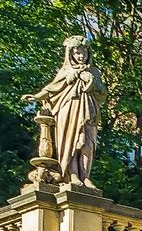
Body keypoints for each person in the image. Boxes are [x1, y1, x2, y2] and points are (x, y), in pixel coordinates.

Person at [25, 34, 105, 187]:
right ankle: (73, 174)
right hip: (68, 111)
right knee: (72, 143)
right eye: (78, 52)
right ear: (71, 54)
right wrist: (35, 97)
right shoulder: (65, 71)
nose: (81, 56)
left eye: (84, 52)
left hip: (89, 111)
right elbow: (51, 89)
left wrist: (93, 82)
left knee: (87, 145)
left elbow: (102, 93)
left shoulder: (94, 72)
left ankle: (85, 176)